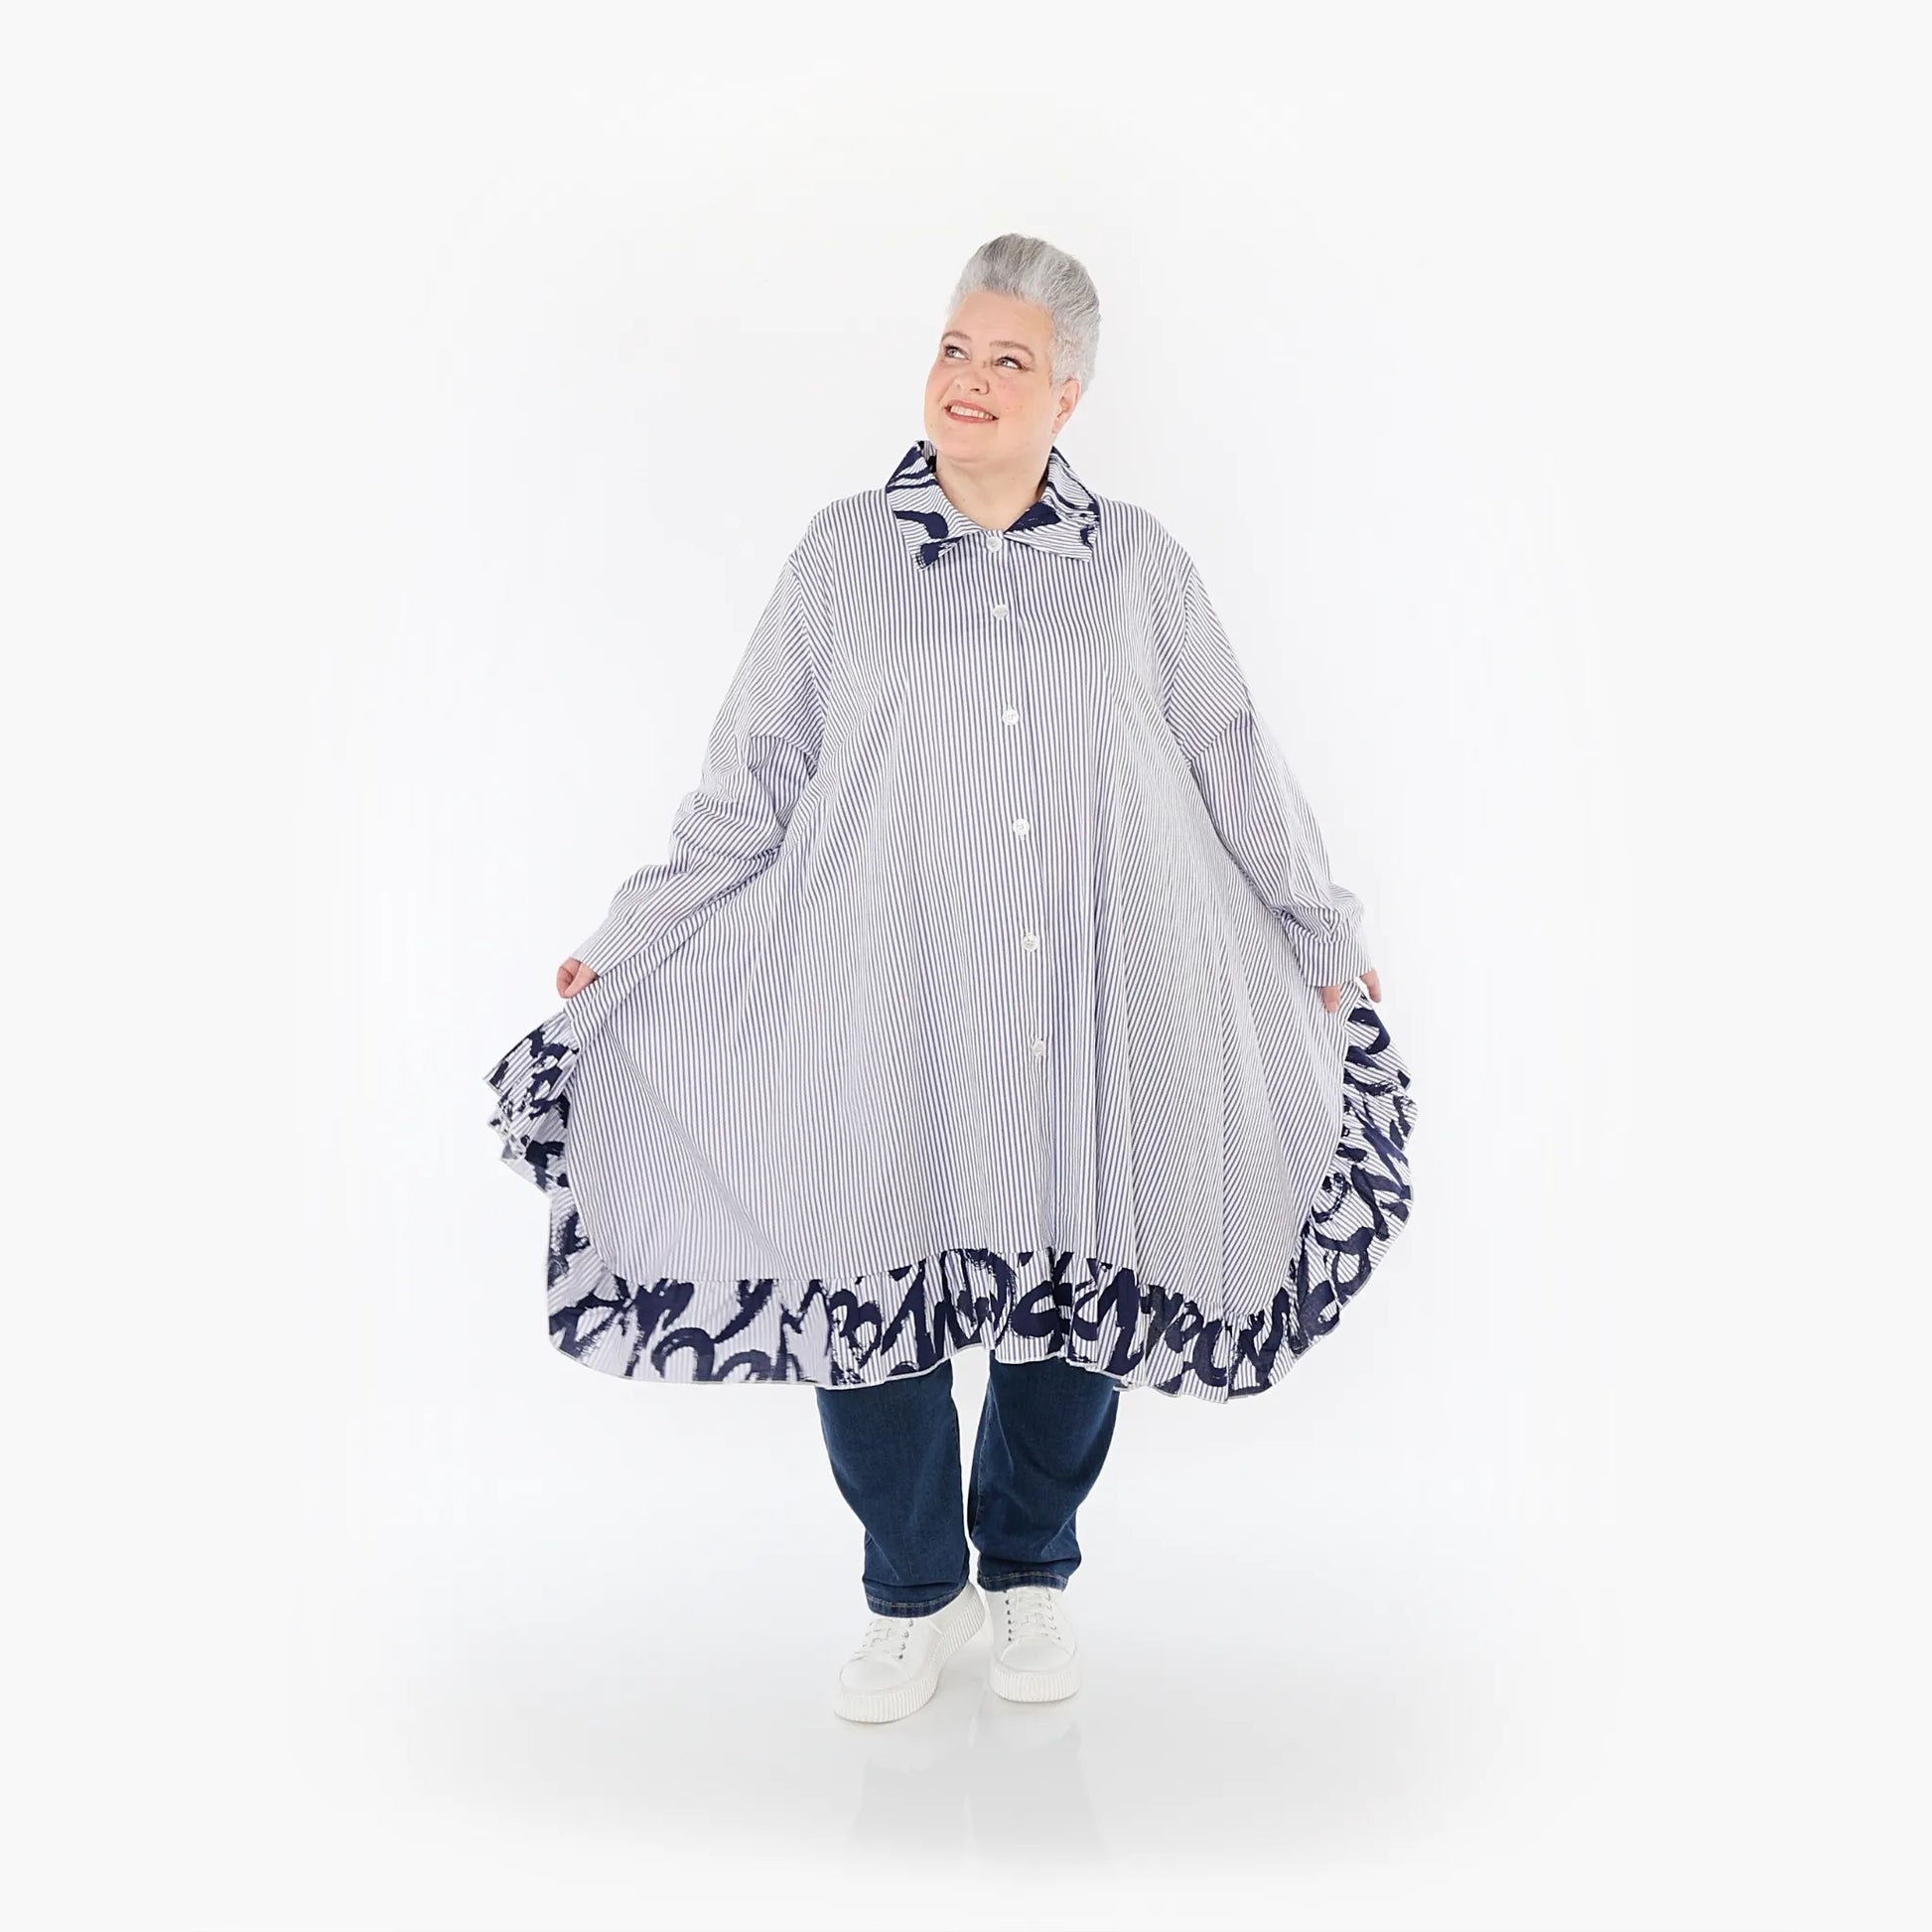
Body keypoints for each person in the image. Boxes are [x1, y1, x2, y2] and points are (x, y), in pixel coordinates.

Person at [483, 232, 1418, 1725]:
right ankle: (912, 1589)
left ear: (1068, 395)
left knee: (1080, 1276)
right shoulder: (841, 556)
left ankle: (1030, 1568)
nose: (968, 381)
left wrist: (1320, 926)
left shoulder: (1136, 567)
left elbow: (1231, 751)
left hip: (1091, 1003)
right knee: (863, 1275)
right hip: (880, 996)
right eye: (953, 349)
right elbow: (755, 774)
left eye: (1008, 361)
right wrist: (635, 934)